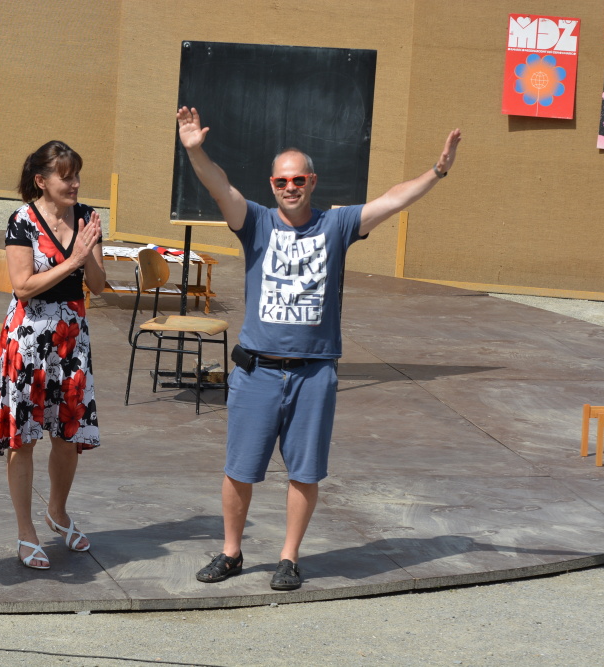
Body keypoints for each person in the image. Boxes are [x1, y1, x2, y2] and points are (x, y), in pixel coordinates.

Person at [177, 106, 461, 591]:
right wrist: (194, 151)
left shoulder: (337, 225)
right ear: (272, 184)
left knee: (304, 473)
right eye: (281, 181)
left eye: (298, 179)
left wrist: (437, 172)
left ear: (312, 181)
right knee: (239, 470)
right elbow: (220, 186)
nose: (290, 187)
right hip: (258, 371)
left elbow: (392, 199)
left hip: (313, 373)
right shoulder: (256, 222)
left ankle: (288, 558)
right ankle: (231, 553)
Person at [0, 140, 105, 571]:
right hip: (28, 339)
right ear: (41, 181)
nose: (74, 184)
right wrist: (73, 260)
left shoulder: (87, 217)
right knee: (24, 438)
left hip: (72, 340)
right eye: (65, 176)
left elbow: (99, 285)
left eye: (77, 176)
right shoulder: (22, 221)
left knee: (68, 435)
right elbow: (22, 286)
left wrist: (89, 255)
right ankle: (26, 530)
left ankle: (58, 512)